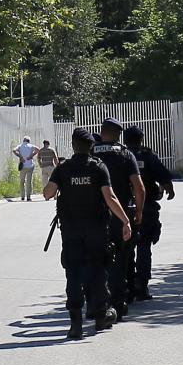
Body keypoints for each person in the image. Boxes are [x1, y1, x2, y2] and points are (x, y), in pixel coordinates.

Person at [44, 128, 132, 339]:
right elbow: (110, 198)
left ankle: (75, 323)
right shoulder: (98, 167)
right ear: (91, 146)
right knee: (98, 270)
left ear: (73, 146)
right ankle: (101, 317)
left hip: (71, 231)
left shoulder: (63, 168)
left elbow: (48, 193)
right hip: (96, 230)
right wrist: (125, 220)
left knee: (73, 273)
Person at [88, 118, 145, 321]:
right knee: (119, 260)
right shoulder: (124, 153)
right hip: (120, 215)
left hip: (93, 216)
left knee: (95, 260)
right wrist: (138, 212)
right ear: (118, 135)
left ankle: (95, 304)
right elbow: (139, 188)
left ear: (101, 132)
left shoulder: (90, 152)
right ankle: (117, 304)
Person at [123, 126, 175, 301]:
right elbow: (163, 176)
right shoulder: (147, 155)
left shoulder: (120, 155)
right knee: (144, 246)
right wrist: (169, 189)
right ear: (141, 139)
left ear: (124, 139)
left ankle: (127, 285)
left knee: (124, 249)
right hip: (146, 207)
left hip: (122, 208)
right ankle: (141, 286)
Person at [13, 136, 39, 201]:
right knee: (29, 182)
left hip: (23, 166)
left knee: (22, 181)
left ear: (23, 140)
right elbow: (38, 149)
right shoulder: (31, 146)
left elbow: (14, 150)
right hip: (30, 165)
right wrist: (31, 155)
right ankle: (28, 197)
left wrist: (20, 156)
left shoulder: (20, 146)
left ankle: (22, 196)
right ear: (29, 141)